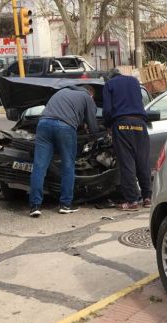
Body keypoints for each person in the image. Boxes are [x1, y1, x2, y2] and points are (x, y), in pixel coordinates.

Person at [28, 84, 98, 217]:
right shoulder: (86, 97)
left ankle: (35, 206)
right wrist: (94, 136)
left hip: (43, 124)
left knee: (39, 167)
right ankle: (65, 204)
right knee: (68, 166)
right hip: (65, 127)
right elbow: (92, 123)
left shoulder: (62, 91)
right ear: (91, 94)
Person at [103, 71, 150, 211]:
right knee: (143, 161)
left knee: (127, 163)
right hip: (140, 124)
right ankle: (147, 198)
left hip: (122, 124)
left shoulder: (109, 84)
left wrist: (108, 126)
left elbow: (107, 110)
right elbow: (139, 101)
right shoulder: (134, 81)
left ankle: (132, 201)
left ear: (109, 77)